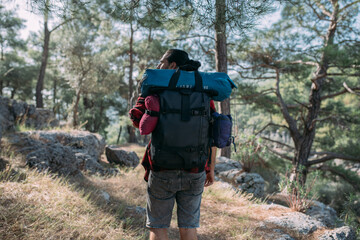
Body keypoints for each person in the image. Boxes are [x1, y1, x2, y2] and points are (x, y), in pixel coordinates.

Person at [129, 49, 217, 240]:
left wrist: (144, 98)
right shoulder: (203, 92)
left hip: (162, 169)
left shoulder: (156, 89)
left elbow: (137, 121)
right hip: (195, 170)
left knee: (158, 227)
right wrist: (211, 168)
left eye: (162, 62)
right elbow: (213, 134)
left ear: (173, 65)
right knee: (189, 228)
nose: (159, 65)